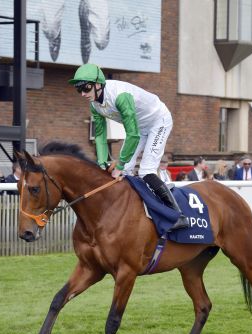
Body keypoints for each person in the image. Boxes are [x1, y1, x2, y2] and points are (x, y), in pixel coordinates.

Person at [69, 63, 188, 230]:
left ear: (98, 84)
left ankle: (177, 215)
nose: (82, 93)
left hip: (158, 121)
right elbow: (100, 136)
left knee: (146, 171)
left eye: (86, 88)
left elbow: (132, 135)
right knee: (122, 172)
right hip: (139, 127)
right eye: (78, 89)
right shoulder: (94, 103)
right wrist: (102, 162)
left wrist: (119, 163)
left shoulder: (120, 97)